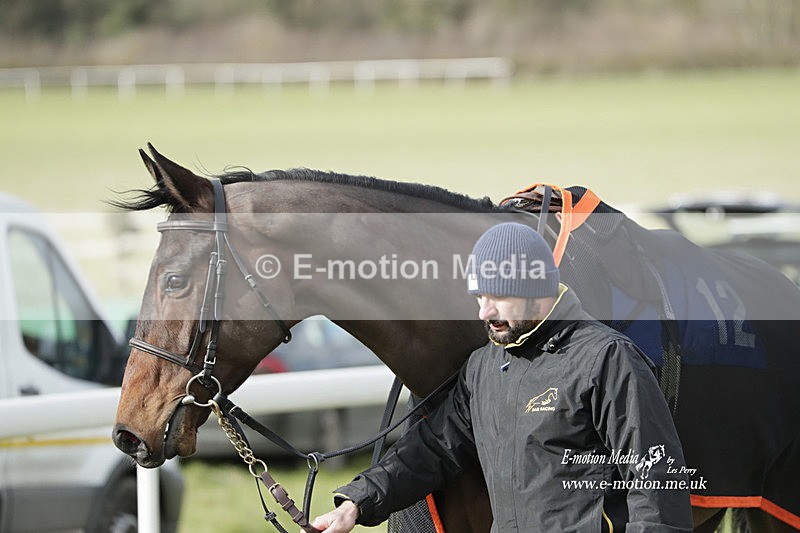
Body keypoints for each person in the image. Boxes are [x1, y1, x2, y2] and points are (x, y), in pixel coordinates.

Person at [311, 222, 693, 532]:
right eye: (479, 296)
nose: (483, 311)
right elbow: (432, 448)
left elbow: (657, 485)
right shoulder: (481, 369)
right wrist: (356, 504)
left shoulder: (608, 359)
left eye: (497, 295)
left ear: (536, 289)